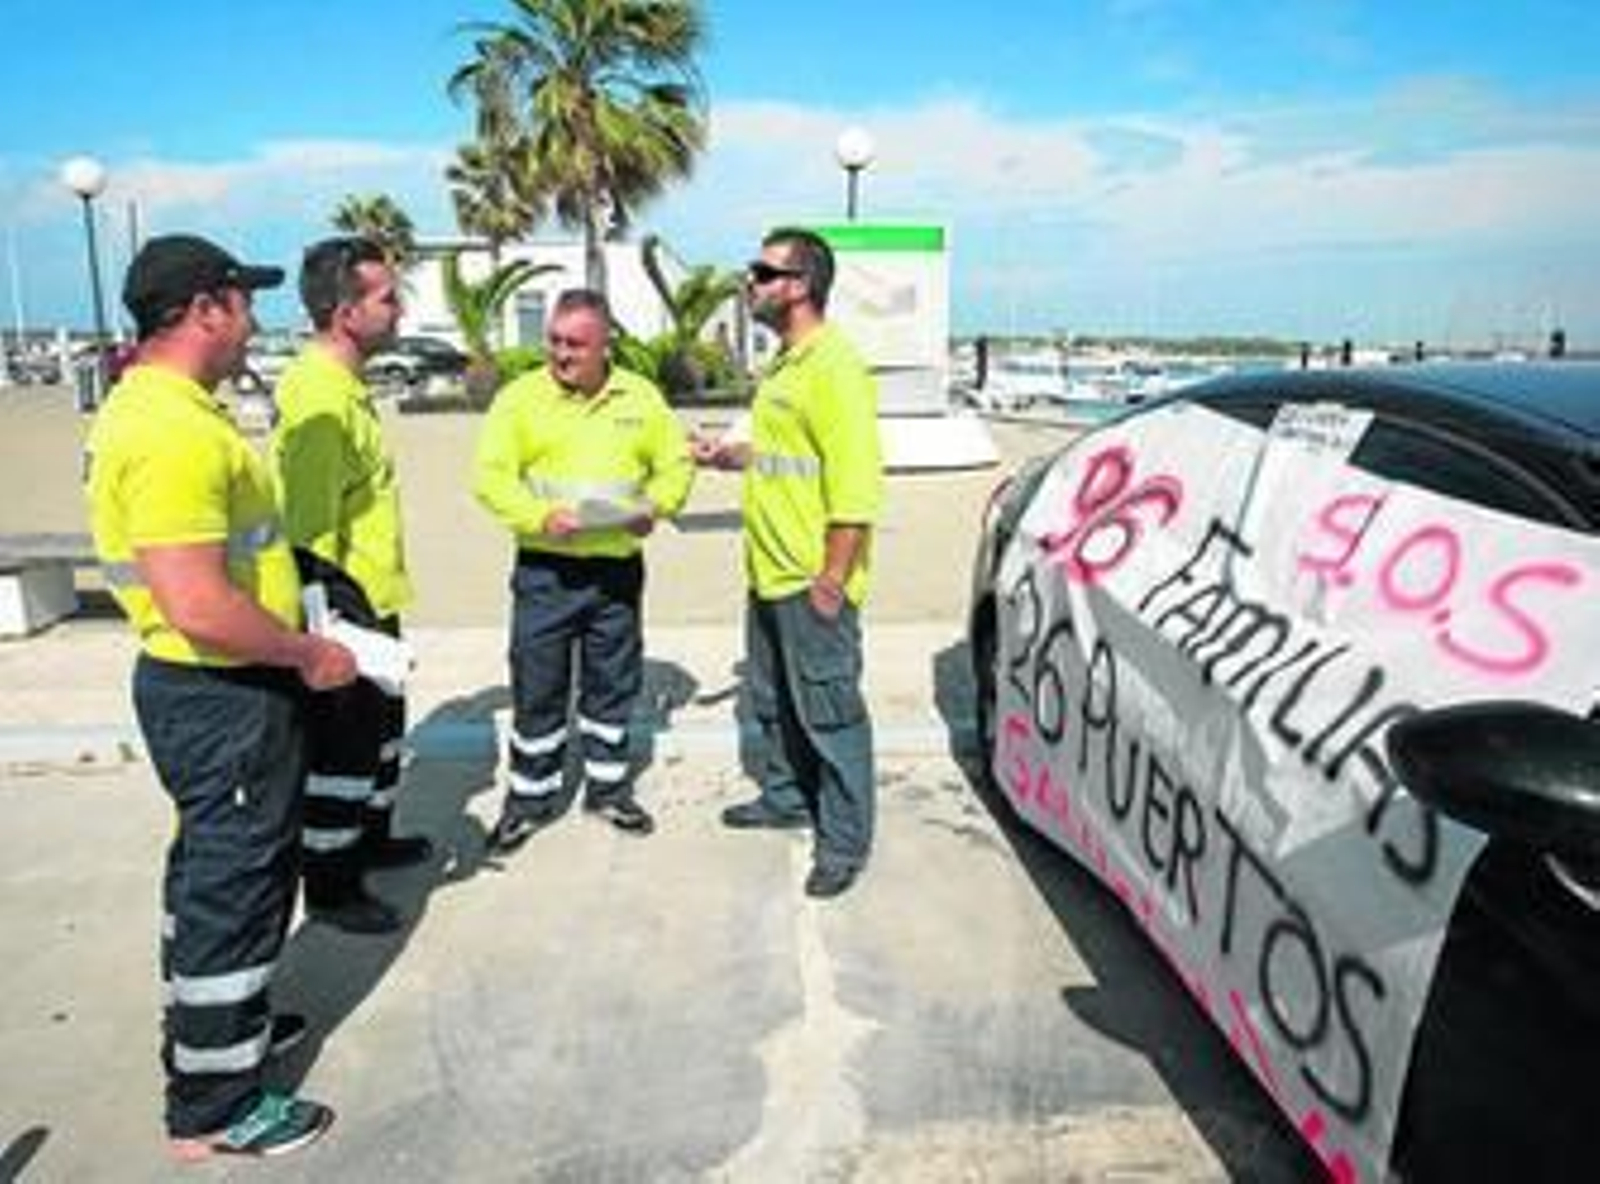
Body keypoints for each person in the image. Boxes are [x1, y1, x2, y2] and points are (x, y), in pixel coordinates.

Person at [84, 234, 357, 1159]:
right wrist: (307, 654)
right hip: (222, 692)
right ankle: (215, 1105)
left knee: (212, 872)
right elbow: (198, 602)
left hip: (209, 688)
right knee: (234, 889)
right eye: (244, 303)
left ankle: (217, 1036)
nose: (254, 322)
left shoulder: (157, 408)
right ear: (206, 309)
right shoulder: (171, 430)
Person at [692, 227, 884, 899]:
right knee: (772, 701)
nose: (751, 282)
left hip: (810, 579)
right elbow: (782, 455)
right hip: (768, 571)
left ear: (800, 285)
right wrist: (727, 456)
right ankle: (786, 798)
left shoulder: (835, 367)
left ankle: (844, 843)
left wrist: (832, 578)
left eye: (763, 272)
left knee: (830, 714)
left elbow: (857, 487)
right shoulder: (785, 365)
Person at [473, 289, 692, 853]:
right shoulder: (520, 399)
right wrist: (540, 518)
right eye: (554, 340)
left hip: (616, 574)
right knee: (538, 689)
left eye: (575, 344)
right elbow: (491, 478)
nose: (561, 353)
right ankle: (528, 802)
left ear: (605, 345)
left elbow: (675, 465)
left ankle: (608, 792)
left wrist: (655, 507)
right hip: (545, 573)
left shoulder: (641, 397)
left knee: (613, 687)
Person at [269, 236, 431, 936]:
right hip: (342, 606)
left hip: (372, 597)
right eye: (388, 298)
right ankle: (333, 887)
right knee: (343, 751)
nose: (400, 309)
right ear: (344, 313)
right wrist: (326, 633)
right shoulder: (320, 396)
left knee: (380, 739)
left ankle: (371, 841)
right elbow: (306, 531)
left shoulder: (344, 387)